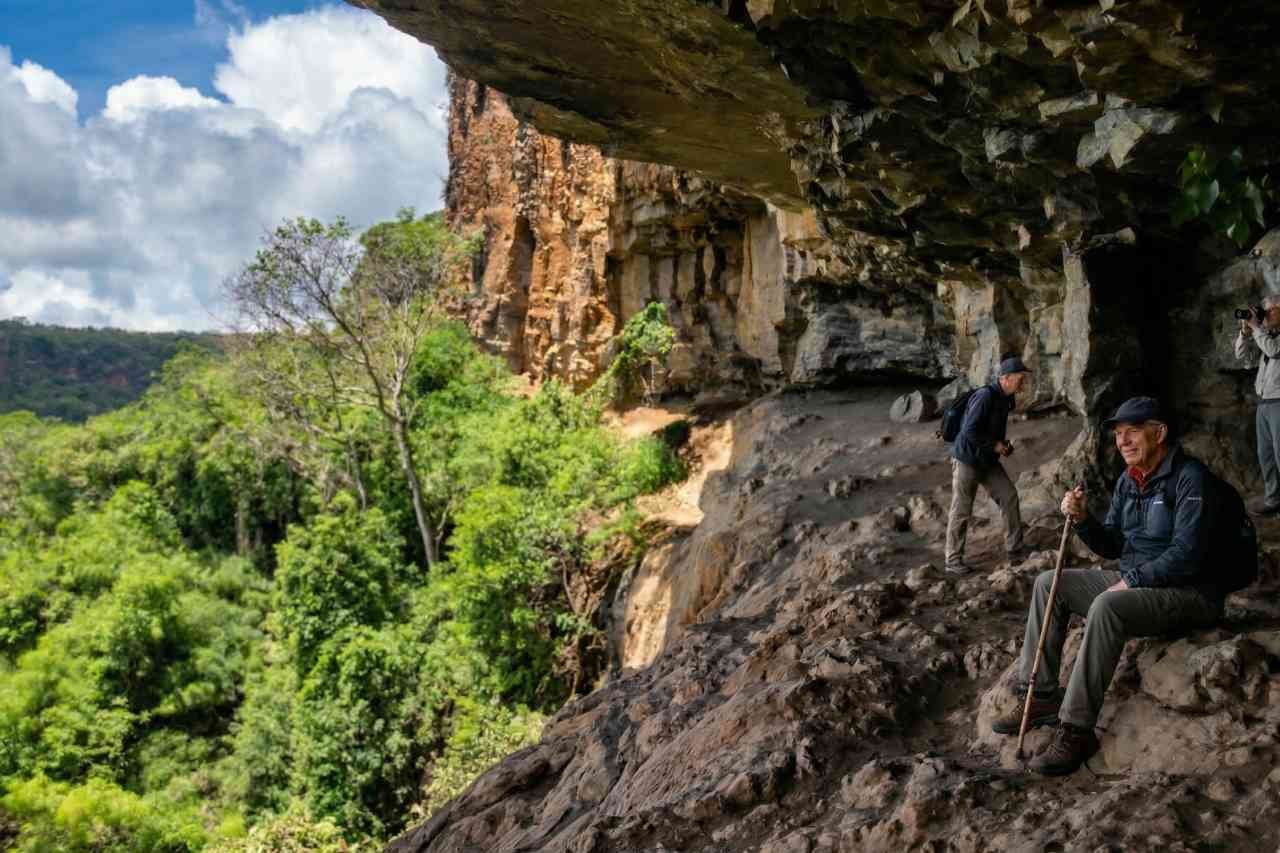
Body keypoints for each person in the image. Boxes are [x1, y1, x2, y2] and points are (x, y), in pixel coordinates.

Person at [991, 396, 1225, 775]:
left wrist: (1131, 580)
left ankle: (1076, 729)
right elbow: (1113, 545)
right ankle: (1042, 696)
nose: (1123, 441)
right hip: (1139, 582)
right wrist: (1084, 520)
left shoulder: (1191, 478)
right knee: (1049, 583)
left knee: (1106, 605)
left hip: (1191, 592)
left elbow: (1189, 554)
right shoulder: (1128, 482)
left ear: (1160, 432)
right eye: (1118, 434)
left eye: (1132, 431)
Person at [944, 356, 1032, 575]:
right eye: (1020, 378)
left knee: (1009, 496)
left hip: (987, 460)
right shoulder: (985, 396)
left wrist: (1002, 446)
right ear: (1006, 378)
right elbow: (969, 431)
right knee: (962, 509)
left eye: (1024, 378)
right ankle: (953, 560)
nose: (1023, 383)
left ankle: (1015, 548)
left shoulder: (1006, 398)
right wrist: (995, 446)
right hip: (967, 460)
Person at [1234, 295, 1280, 515]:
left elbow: (1273, 350)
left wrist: (1256, 327)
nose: (1266, 314)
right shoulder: (1267, 336)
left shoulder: (1272, 340)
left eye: (1271, 310)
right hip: (1264, 403)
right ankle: (1274, 500)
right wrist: (1245, 331)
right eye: (1265, 310)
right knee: (1266, 455)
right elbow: (1243, 358)